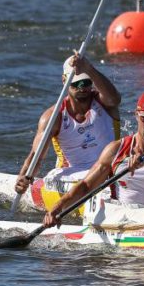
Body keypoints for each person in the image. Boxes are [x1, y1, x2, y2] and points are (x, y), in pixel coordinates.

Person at [43, 90, 144, 229]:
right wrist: (57, 209)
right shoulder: (115, 149)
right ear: (136, 115)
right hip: (119, 215)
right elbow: (86, 185)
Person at [15, 53, 122, 197]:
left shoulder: (105, 102)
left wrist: (89, 68)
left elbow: (115, 98)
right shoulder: (53, 117)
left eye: (86, 83)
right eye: (76, 83)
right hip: (72, 174)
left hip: (110, 169)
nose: (82, 88)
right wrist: (24, 177)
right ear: (64, 80)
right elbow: (36, 156)